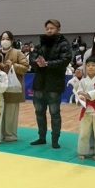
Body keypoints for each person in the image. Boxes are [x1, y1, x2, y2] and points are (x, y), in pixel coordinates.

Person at [30, 19, 72, 148]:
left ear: (58, 29)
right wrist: (37, 62)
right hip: (39, 83)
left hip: (54, 83)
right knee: (39, 111)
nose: (49, 30)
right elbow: (32, 58)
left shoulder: (64, 44)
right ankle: (41, 137)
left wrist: (48, 64)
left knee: (54, 113)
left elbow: (65, 60)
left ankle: (55, 140)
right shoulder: (40, 43)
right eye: (47, 28)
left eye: (52, 28)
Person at [70, 57, 95, 161]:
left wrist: (87, 95)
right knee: (84, 132)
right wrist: (80, 97)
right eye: (88, 65)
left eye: (93, 65)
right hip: (86, 107)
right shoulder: (83, 81)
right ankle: (82, 151)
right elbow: (79, 91)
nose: (90, 67)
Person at [0, 31, 29, 142]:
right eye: (3, 38)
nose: (5, 41)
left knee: (11, 114)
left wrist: (13, 66)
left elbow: (25, 67)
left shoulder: (18, 53)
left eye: (7, 38)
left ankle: (10, 135)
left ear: (11, 40)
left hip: (13, 89)